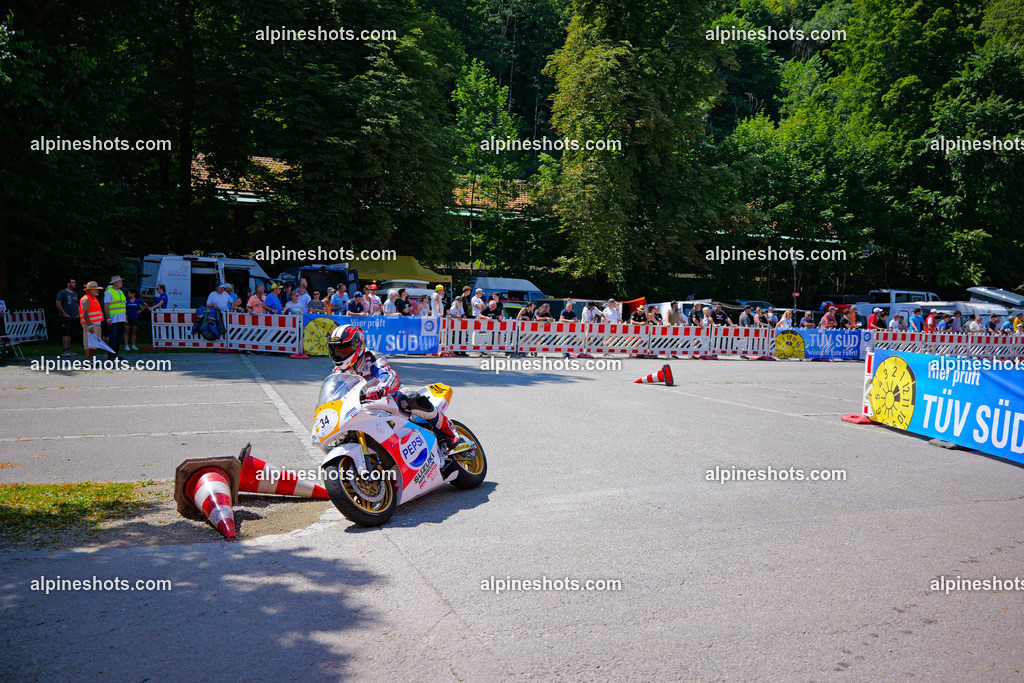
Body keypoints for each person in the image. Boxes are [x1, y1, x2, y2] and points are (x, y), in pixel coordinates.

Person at [327, 324, 466, 454]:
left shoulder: (371, 357)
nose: (339, 354)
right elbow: (333, 393)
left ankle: (449, 430)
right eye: (336, 350)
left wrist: (382, 388)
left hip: (389, 396)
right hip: (362, 406)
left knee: (411, 399)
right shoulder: (338, 372)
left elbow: (388, 374)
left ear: (358, 345)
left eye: (343, 349)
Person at [79, 281, 104, 362]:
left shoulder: (93, 298)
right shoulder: (86, 299)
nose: (97, 291)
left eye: (97, 289)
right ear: (89, 290)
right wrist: (90, 326)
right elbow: (85, 313)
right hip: (90, 324)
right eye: (95, 289)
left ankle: (91, 359)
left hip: (95, 324)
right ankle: (87, 361)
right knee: (89, 344)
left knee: (94, 344)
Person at [103, 275, 127, 360]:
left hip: (121, 318)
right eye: (120, 281)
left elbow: (123, 305)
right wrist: (108, 318)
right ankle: (110, 355)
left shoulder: (121, 292)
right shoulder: (109, 292)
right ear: (115, 283)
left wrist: (125, 317)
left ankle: (116, 354)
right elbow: (106, 305)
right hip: (113, 318)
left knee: (119, 337)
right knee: (112, 337)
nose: (121, 283)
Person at [56, 278, 79, 356]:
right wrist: (64, 313)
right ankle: (65, 350)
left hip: (74, 316)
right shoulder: (63, 292)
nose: (75, 283)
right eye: (73, 282)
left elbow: (77, 304)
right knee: (66, 333)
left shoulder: (75, 294)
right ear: (68, 284)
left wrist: (78, 313)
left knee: (70, 333)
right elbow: (58, 303)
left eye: (75, 282)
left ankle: (68, 349)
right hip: (66, 316)